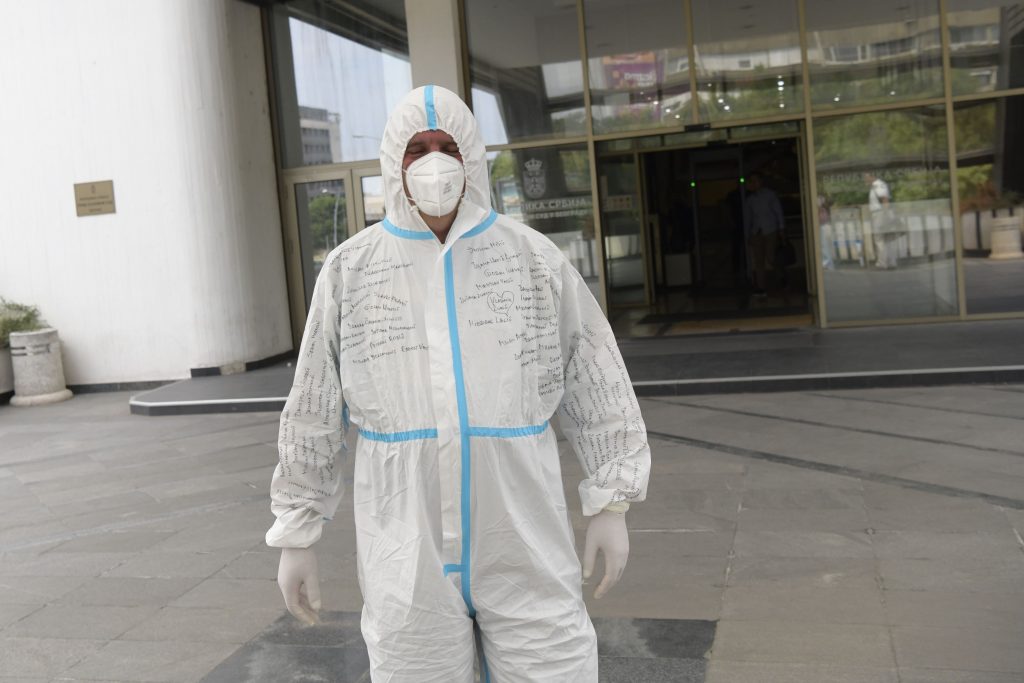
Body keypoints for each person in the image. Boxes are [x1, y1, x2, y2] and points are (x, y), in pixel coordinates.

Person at [265, 85, 651, 682]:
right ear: (395, 162)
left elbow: (594, 373)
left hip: (521, 531)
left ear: (472, 155)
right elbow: (313, 406)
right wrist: (297, 530)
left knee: (554, 669)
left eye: (447, 145)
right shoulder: (351, 270)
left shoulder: (532, 259)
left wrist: (612, 499)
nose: (434, 161)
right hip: (404, 542)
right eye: (417, 148)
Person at [743, 171, 785, 296]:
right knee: (758, 261)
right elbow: (748, 218)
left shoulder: (770, 195)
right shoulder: (750, 200)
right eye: (751, 181)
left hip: (770, 230)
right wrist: (748, 234)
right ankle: (761, 287)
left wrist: (781, 229)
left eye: (756, 181)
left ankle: (781, 277)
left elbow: (778, 212)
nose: (753, 184)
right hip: (757, 232)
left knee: (771, 257)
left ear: (761, 182)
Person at [865, 171, 900, 269]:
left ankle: (882, 263)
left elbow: (884, 199)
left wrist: (885, 214)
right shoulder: (878, 185)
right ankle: (891, 262)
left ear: (872, 176)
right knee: (887, 238)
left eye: (866, 177)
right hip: (882, 213)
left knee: (879, 238)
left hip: (880, 214)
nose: (865, 179)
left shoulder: (878, 185)